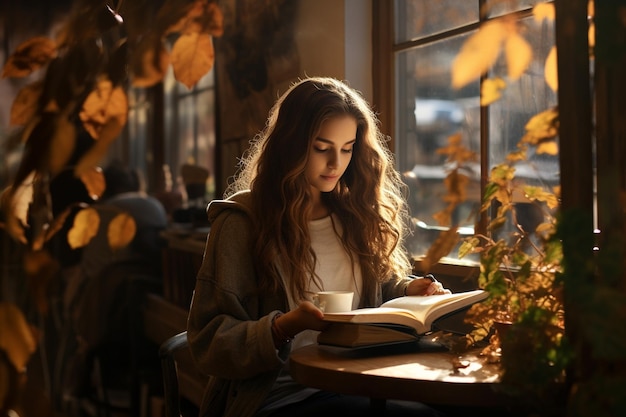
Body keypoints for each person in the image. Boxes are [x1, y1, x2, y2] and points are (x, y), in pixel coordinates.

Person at [187, 77, 450, 417]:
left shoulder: (354, 216)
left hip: (355, 382)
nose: (335, 164)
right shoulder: (242, 222)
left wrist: (408, 288)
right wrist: (283, 328)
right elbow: (208, 343)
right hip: (278, 398)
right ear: (291, 145)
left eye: (347, 148)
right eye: (322, 148)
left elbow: (368, 293)